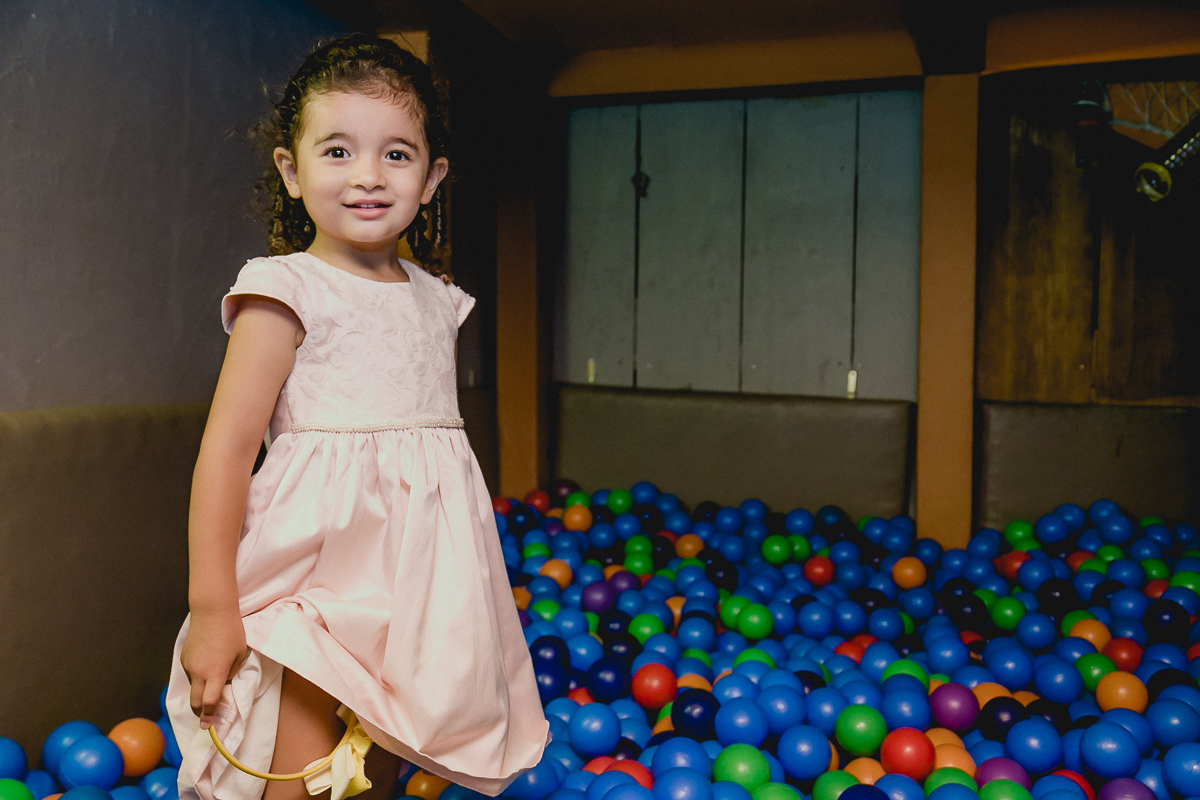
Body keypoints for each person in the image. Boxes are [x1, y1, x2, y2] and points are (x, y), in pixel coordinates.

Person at [165, 33, 548, 800]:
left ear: (433, 177)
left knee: (368, 778)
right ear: (291, 170)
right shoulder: (285, 291)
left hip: (413, 593)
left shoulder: (435, 299)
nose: (367, 176)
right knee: (295, 778)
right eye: (337, 151)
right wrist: (211, 608)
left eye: (397, 155)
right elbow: (227, 452)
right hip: (314, 585)